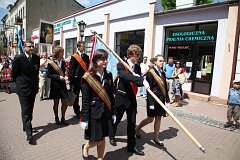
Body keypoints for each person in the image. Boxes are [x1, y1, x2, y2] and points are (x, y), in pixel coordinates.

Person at [112, 44, 149, 156]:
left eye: (139, 55)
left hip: (132, 99)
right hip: (121, 97)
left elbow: (136, 84)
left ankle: (131, 146)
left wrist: (142, 81)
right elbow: (124, 76)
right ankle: (112, 135)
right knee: (116, 119)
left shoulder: (137, 67)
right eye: (136, 55)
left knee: (132, 123)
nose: (138, 57)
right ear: (130, 55)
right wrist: (139, 80)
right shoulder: (121, 65)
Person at [80, 49, 115, 160]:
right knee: (97, 139)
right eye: (103, 59)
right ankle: (86, 146)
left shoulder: (109, 75)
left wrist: (113, 112)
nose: (106, 61)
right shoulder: (88, 76)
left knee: (103, 137)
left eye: (106, 58)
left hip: (106, 111)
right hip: (94, 112)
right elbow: (85, 99)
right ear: (95, 60)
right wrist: (84, 118)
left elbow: (110, 95)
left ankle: (100, 158)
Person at [136, 55, 170, 146]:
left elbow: (165, 88)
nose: (162, 62)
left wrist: (167, 100)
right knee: (150, 119)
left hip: (161, 100)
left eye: (163, 61)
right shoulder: (150, 73)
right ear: (155, 62)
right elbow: (148, 89)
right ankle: (138, 129)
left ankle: (156, 138)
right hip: (153, 100)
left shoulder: (162, 73)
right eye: (160, 61)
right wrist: (150, 102)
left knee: (158, 118)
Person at [12, 40, 40, 144]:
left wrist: (35, 86)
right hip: (23, 89)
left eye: (33, 46)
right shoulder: (18, 58)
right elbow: (14, 74)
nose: (31, 48)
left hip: (33, 89)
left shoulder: (36, 58)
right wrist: (19, 84)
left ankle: (26, 126)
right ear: (25, 47)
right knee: (26, 110)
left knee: (30, 110)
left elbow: (36, 73)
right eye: (29, 46)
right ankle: (29, 134)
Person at [47, 46, 69, 125]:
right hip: (55, 85)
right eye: (61, 52)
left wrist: (66, 75)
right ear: (57, 53)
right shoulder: (51, 63)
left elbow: (65, 71)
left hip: (63, 85)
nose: (63, 53)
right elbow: (48, 75)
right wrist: (58, 77)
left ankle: (63, 117)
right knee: (56, 103)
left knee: (65, 102)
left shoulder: (63, 62)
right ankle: (56, 118)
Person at [69, 41, 89, 118]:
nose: (84, 47)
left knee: (85, 96)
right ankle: (77, 111)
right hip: (76, 80)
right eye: (83, 46)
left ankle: (84, 111)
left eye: (84, 46)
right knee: (76, 97)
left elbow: (87, 68)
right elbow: (71, 70)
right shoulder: (74, 57)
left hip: (84, 80)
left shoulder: (86, 57)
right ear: (78, 47)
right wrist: (71, 82)